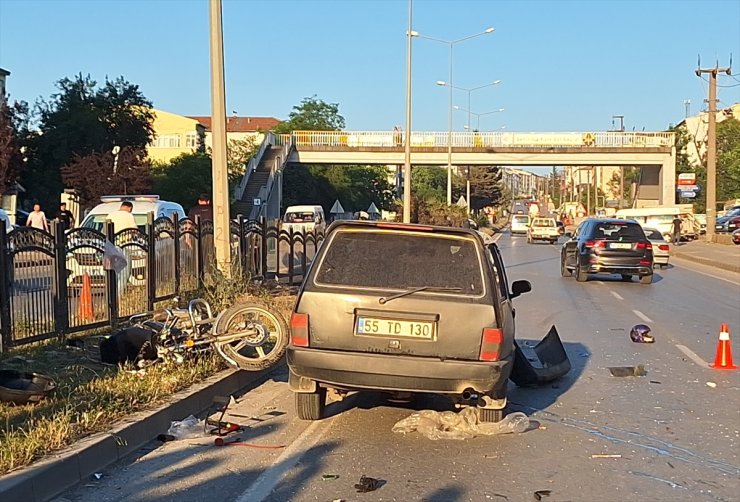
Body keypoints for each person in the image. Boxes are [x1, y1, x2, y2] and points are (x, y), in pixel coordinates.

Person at [106, 201, 137, 297]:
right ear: (130, 208)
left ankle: (110, 296)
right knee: (124, 272)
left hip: (110, 246)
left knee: (112, 272)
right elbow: (134, 229)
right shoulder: (129, 216)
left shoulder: (110, 215)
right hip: (123, 245)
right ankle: (118, 296)